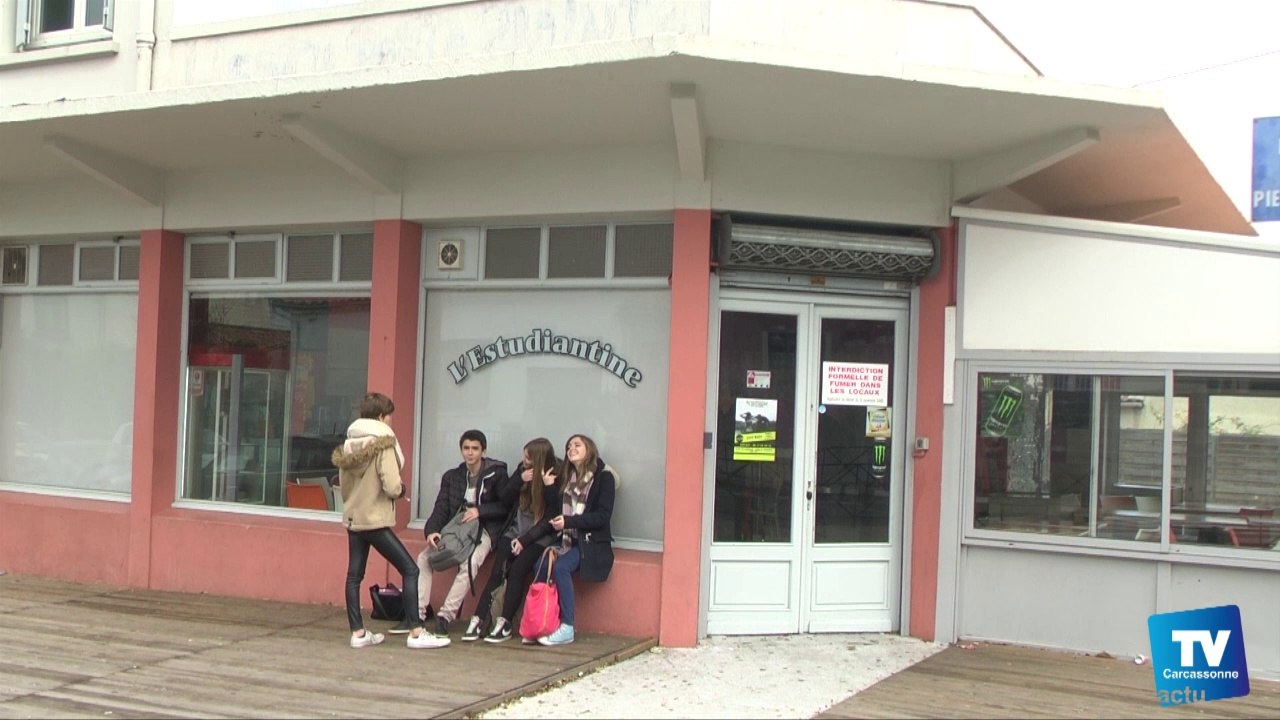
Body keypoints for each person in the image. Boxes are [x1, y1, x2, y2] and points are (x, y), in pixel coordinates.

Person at [331, 392, 447, 649]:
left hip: (354, 518)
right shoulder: (384, 444)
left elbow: (345, 486)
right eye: (389, 416)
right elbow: (392, 486)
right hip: (375, 519)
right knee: (411, 569)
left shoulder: (349, 445)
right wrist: (402, 490)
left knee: (354, 576)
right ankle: (416, 631)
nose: (391, 421)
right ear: (382, 417)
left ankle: (358, 633)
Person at [461, 437, 559, 643]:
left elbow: (552, 517)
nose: (524, 460)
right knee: (497, 572)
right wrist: (519, 479)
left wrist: (549, 487)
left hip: (538, 537)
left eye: (528, 458)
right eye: (524, 456)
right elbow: (505, 499)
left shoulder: (554, 474)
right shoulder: (522, 470)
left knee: (517, 571)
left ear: (539, 459)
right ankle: (479, 619)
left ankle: (504, 622)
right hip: (514, 531)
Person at [525, 433, 618, 646]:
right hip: (567, 539)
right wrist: (549, 486)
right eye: (568, 446)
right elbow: (557, 510)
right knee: (541, 565)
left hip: (590, 543)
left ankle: (567, 626)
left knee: (561, 568)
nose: (571, 449)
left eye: (577, 445)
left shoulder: (604, 478)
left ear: (589, 449)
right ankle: (543, 623)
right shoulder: (567, 478)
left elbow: (602, 517)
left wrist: (569, 522)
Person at [417, 429, 510, 638]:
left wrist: (480, 511)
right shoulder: (453, 476)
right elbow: (441, 506)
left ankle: (445, 616)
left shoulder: (497, 474)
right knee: (424, 558)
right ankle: (418, 615)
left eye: (475, 448)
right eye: (466, 448)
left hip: (485, 529)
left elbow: (506, 507)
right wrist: (431, 531)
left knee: (470, 563)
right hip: (457, 528)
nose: (470, 453)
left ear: (483, 451)